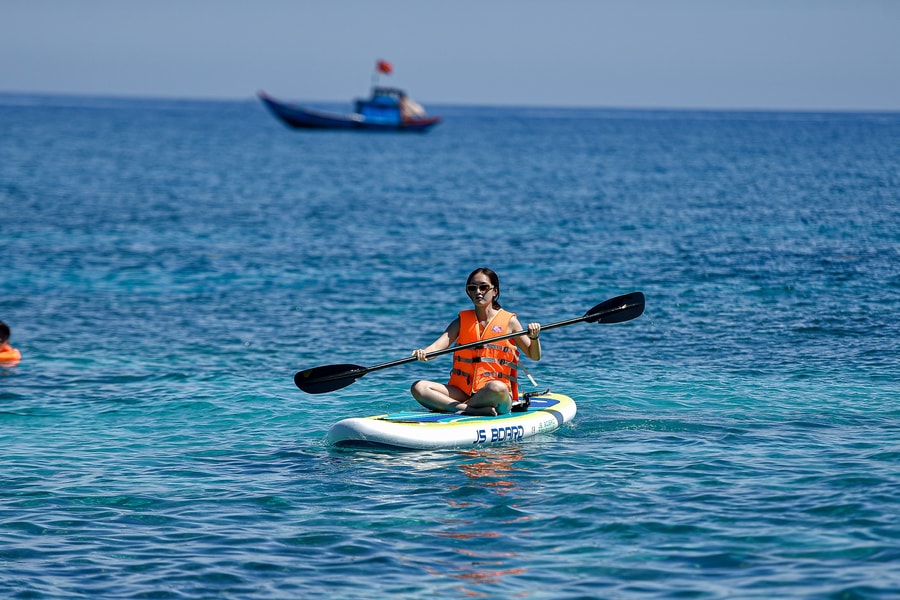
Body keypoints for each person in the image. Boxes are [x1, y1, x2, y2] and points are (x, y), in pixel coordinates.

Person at [410, 268, 541, 416]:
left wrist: (534, 338)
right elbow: (436, 347)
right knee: (419, 387)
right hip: (462, 392)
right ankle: (467, 409)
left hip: (494, 394)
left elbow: (534, 355)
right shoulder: (461, 322)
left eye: (484, 287)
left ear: (495, 291)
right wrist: (423, 353)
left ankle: (453, 407)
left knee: (497, 387)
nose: (478, 292)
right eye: (472, 288)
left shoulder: (510, 322)